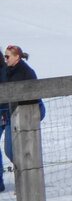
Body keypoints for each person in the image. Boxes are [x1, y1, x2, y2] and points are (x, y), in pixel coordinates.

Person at [1, 45, 46, 188]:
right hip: (8, 113)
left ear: (17, 57)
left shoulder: (22, 72)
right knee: (11, 148)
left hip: (18, 113)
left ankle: (28, 177)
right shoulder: (9, 70)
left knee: (12, 148)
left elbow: (31, 94)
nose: (5, 59)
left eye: (7, 56)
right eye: (5, 57)